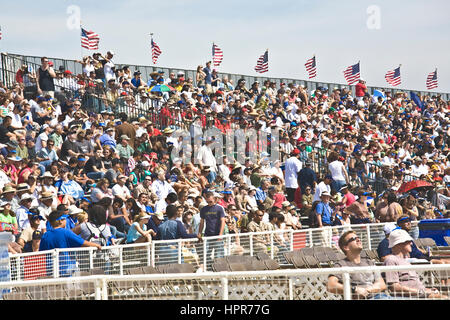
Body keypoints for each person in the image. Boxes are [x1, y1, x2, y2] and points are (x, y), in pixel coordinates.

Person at [384, 229, 448, 299]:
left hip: (421, 294)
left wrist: (428, 290)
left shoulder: (405, 261)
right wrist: (422, 292)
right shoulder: (391, 260)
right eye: (408, 241)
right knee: (444, 298)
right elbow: (394, 287)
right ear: (399, 244)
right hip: (411, 297)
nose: (411, 243)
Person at [327, 230, 391, 300]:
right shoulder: (341, 265)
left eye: (358, 238)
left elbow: (382, 284)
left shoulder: (369, 262)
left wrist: (367, 290)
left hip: (378, 296)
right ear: (346, 247)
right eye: (353, 239)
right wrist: (354, 289)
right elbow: (330, 285)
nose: (358, 240)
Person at [39, 210, 102, 277]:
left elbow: (42, 251)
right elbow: (82, 242)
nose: (66, 221)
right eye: (64, 219)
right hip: (67, 269)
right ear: (60, 221)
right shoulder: (65, 232)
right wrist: (96, 245)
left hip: (51, 270)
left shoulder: (45, 235)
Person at [197, 192, 226, 261]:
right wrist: (199, 233)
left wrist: (220, 234)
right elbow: (202, 222)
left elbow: (223, 221)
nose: (209, 203)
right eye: (207, 202)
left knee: (218, 255)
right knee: (206, 254)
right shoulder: (204, 209)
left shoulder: (219, 208)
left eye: (210, 201)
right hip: (208, 235)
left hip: (217, 235)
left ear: (215, 199)